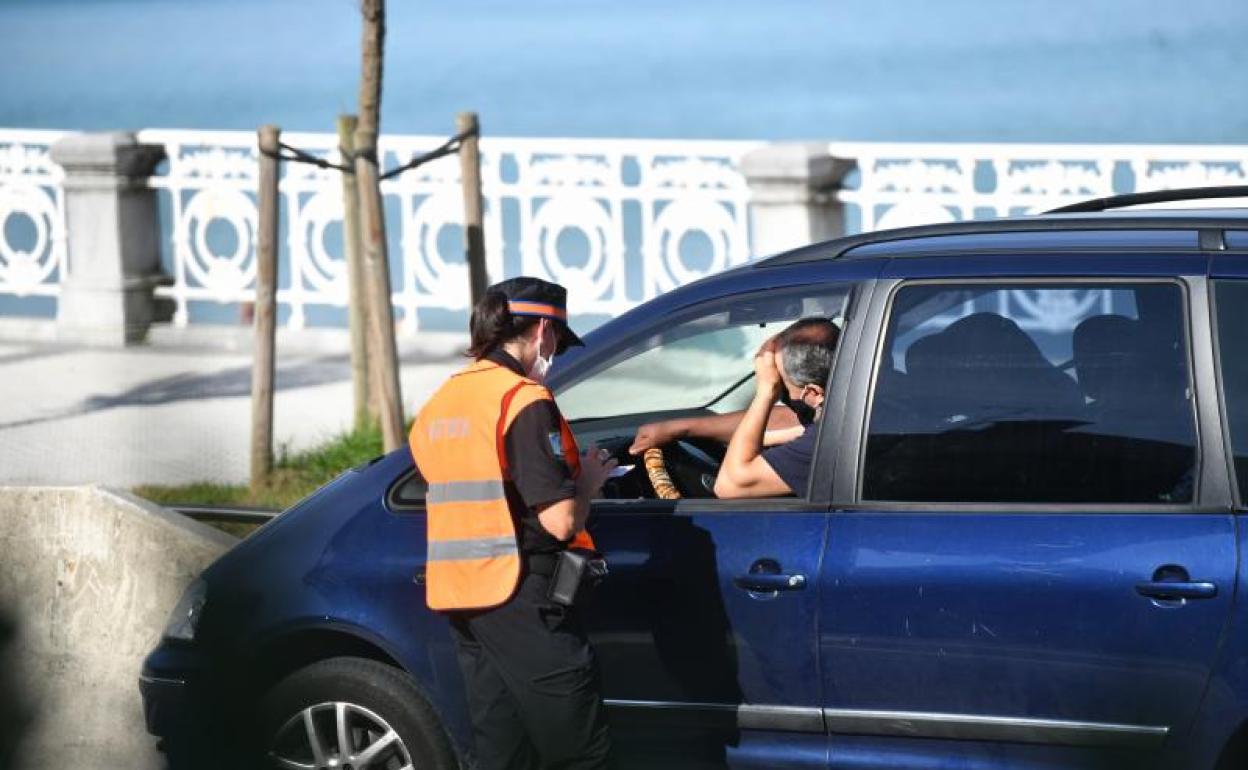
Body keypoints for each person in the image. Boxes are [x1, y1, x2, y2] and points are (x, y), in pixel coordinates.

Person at [409, 276, 615, 770]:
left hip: (464, 595)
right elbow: (561, 520)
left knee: (503, 751)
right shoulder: (521, 399)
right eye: (558, 340)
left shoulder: (444, 400)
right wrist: (588, 482)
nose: (555, 353)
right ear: (543, 331)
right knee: (580, 751)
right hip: (520, 590)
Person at [628, 318, 838, 498]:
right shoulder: (845, 411)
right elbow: (788, 422)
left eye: (781, 385)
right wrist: (678, 428)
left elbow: (730, 484)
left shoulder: (828, 442)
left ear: (813, 393)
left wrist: (765, 393)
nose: (779, 392)